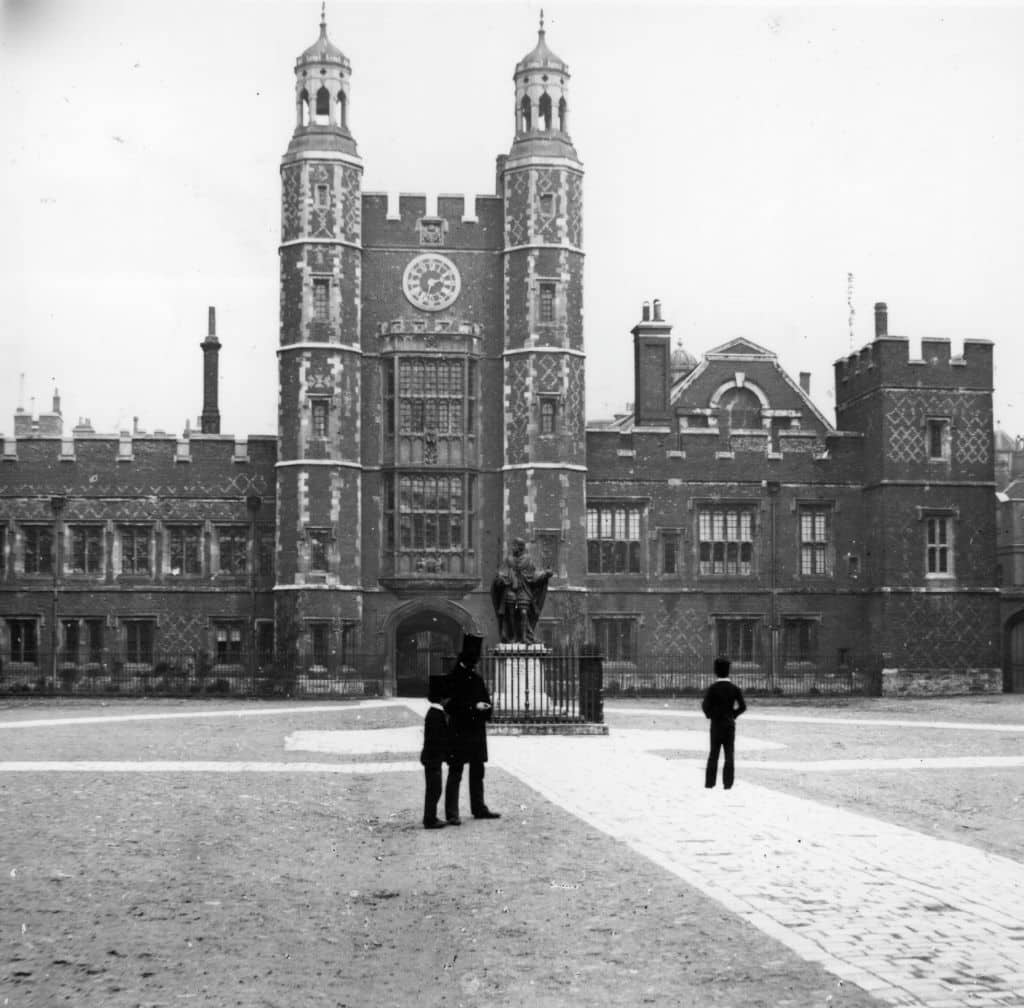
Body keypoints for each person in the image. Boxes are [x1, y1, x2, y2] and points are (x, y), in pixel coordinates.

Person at [442, 633, 501, 824]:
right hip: (459, 731)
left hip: (476, 731)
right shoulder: (453, 678)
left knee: (477, 770)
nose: (476, 661)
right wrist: (474, 707)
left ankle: (479, 807)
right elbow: (449, 706)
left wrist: (486, 708)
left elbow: (486, 702)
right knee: (456, 771)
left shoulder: (477, 678)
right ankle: (452, 813)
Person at [490, 538, 554, 644]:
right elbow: (502, 573)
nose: (512, 548)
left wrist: (545, 574)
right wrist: (500, 579)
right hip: (510, 589)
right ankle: (513, 636)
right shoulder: (509, 560)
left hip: (523, 589)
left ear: (520, 547)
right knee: (510, 613)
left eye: (514, 545)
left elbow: (533, 576)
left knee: (524, 612)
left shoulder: (528, 561)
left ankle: (524, 637)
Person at [702, 656, 747, 789]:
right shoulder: (734, 688)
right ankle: (728, 784)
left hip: (716, 725)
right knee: (729, 755)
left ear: (716, 671)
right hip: (729, 725)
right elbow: (743, 706)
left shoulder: (712, 688)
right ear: (728, 671)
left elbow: (705, 706)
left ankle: (710, 783)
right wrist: (733, 715)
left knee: (713, 754)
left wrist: (711, 715)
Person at [420, 678, 451, 830]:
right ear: (442, 699)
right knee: (434, 789)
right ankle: (429, 819)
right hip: (433, 758)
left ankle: (430, 817)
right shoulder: (436, 715)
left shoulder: (434, 713)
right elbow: (437, 739)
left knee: (434, 788)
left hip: (432, 757)